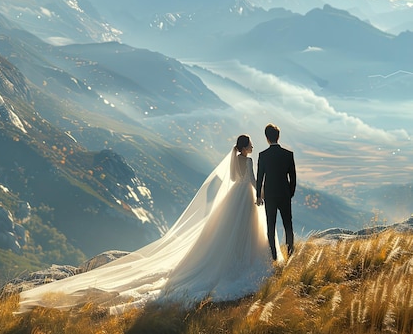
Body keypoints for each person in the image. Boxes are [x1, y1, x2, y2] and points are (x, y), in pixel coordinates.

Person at [17, 135, 281, 314]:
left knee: (225, 234)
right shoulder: (247, 161)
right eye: (250, 146)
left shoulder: (235, 160)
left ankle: (231, 256)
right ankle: (241, 259)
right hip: (245, 198)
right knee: (244, 233)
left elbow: (233, 179)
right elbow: (252, 181)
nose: (252, 149)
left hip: (231, 200)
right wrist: (261, 196)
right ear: (245, 148)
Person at [256, 123, 296, 261]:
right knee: (288, 225)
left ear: (267, 138)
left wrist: (258, 196)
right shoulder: (288, 154)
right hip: (284, 194)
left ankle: (273, 257)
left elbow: (260, 177)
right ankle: (290, 255)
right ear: (278, 137)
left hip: (270, 195)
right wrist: (290, 193)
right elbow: (293, 177)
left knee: (270, 226)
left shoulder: (263, 155)